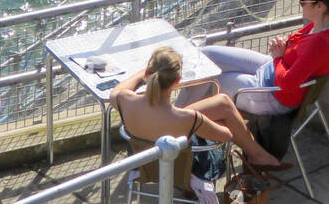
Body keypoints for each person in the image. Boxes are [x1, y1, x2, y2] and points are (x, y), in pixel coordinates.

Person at [178, 0, 329, 119]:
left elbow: (287, 84)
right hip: (274, 71)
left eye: (302, 0)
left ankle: (174, 121)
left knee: (209, 80)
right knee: (205, 55)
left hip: (274, 95)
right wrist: (287, 43)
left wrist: (277, 58)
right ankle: (175, 116)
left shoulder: (321, 43)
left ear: (320, 5)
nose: (301, 5)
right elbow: (304, 44)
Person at [109, 47, 282, 171]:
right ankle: (258, 156)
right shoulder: (187, 118)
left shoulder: (124, 100)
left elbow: (117, 91)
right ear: (178, 81)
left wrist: (142, 74)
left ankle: (259, 156)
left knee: (221, 103)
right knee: (223, 104)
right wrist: (206, 121)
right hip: (183, 169)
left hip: (144, 166)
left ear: (149, 74)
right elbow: (226, 136)